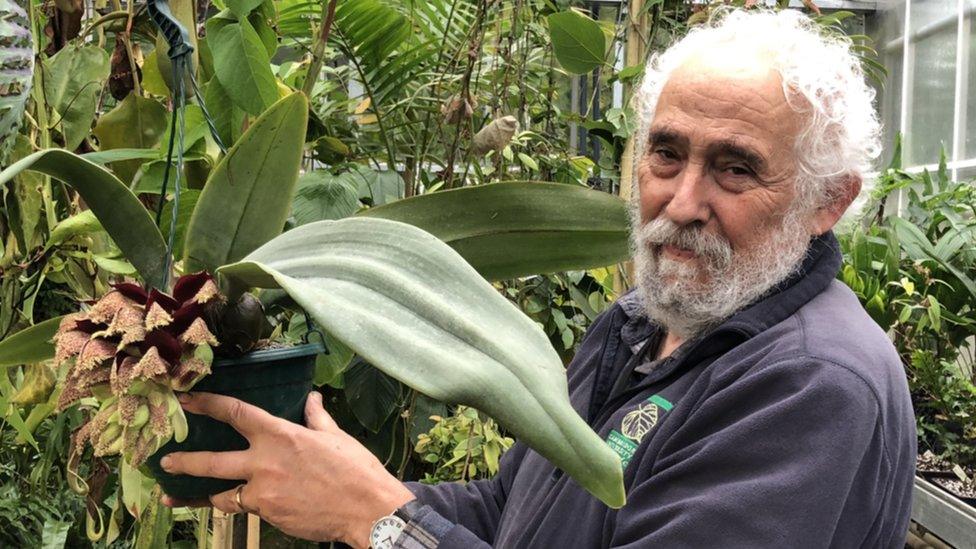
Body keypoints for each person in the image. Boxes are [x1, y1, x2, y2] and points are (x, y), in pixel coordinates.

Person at [160, 9, 917, 548]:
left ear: (828, 201)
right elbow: (510, 510)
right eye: (666, 154)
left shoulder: (811, 384)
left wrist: (382, 519)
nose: (682, 203)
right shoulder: (637, 327)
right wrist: (329, 482)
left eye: (735, 167)